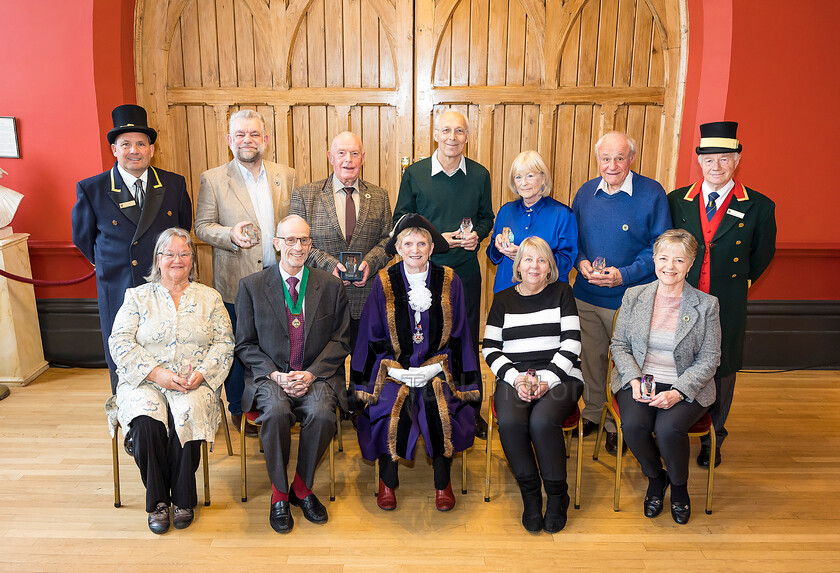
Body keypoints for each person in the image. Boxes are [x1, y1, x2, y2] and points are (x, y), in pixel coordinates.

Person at [106, 228, 234, 534]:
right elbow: (120, 342)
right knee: (148, 424)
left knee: (186, 416)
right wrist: (157, 374)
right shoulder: (137, 297)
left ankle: (185, 500)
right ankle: (159, 502)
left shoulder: (210, 298)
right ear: (157, 260)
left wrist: (201, 373)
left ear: (192, 260)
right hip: (146, 380)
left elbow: (225, 343)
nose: (177, 260)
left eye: (184, 254)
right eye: (169, 254)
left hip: (193, 380)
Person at [351, 213, 481, 512]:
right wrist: (393, 368)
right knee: (388, 404)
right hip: (395, 369)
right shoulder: (384, 282)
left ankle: (442, 482)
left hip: (439, 369)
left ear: (432, 247)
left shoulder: (450, 281)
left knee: (441, 405)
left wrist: (439, 366)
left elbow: (461, 332)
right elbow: (372, 334)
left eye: (421, 243)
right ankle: (388, 481)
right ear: (397, 248)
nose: (415, 250)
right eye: (407, 243)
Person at [668, 121, 776, 468]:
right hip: (682, 298)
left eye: (724, 159)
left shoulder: (759, 206)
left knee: (721, 367)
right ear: (699, 162)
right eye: (710, 160)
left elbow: (762, 254)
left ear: (737, 160)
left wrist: (737, 285)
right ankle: (674, 428)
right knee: (677, 361)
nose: (716, 167)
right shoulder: (676, 201)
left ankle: (714, 435)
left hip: (725, 302)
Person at [235, 215, 350, 534]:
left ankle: (301, 486)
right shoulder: (252, 286)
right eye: (290, 240)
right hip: (270, 377)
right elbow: (244, 344)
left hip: (317, 375)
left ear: (311, 244)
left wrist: (312, 374)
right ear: (276, 243)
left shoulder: (330, 285)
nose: (297, 247)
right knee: (275, 413)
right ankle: (278, 494)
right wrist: (273, 374)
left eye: (304, 240)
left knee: (323, 415)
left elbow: (342, 340)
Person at [73, 104, 193, 393]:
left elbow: (183, 229)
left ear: (151, 149)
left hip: (167, 288)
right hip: (119, 286)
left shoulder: (174, 184)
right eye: (125, 144)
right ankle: (129, 419)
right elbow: (83, 238)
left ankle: (172, 413)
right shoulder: (92, 189)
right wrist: (113, 264)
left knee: (171, 349)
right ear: (114, 149)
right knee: (122, 354)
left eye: (141, 143)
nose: (134, 150)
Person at [609, 229, 721, 525]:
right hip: (640, 380)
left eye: (679, 260)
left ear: (690, 264)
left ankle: (680, 489)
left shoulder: (707, 305)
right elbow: (619, 345)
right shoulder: (634, 296)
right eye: (663, 258)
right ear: (655, 259)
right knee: (634, 423)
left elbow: (710, 359)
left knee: (670, 428)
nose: (669, 266)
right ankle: (656, 478)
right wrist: (632, 379)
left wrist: (678, 392)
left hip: (685, 384)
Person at [393, 110, 494, 438]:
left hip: (465, 273)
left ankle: (470, 408)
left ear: (467, 136)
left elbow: (486, 217)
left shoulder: (479, 175)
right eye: (446, 130)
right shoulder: (415, 173)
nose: (453, 137)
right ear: (435, 133)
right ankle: (419, 406)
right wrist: (437, 237)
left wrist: (477, 234)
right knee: (425, 339)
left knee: (465, 341)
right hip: (424, 274)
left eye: (459, 131)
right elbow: (401, 221)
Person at [195, 109, 296, 434]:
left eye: (254, 134)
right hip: (236, 281)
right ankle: (240, 408)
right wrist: (229, 235)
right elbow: (201, 226)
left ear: (265, 140)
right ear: (229, 140)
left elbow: (295, 220)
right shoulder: (213, 178)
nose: (247, 140)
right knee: (239, 346)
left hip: (279, 279)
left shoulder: (287, 175)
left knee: (280, 344)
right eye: (240, 134)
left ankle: (279, 404)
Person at [571, 131, 670, 455]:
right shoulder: (585, 193)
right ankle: (593, 413)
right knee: (591, 361)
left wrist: (623, 275)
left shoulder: (652, 193)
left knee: (627, 364)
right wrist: (581, 261)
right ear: (597, 159)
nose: (612, 165)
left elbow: (660, 249)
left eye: (620, 158)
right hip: (586, 297)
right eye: (605, 158)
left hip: (631, 300)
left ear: (632, 159)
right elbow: (576, 242)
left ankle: (619, 425)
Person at [482, 236, 584, 533]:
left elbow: (572, 343)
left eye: (541, 260)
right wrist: (516, 378)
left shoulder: (563, 293)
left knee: (541, 422)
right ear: (518, 265)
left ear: (550, 266)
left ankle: (556, 496)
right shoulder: (502, 299)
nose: (534, 266)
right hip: (516, 376)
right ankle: (530, 495)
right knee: (511, 423)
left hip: (562, 376)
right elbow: (490, 347)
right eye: (528, 259)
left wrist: (548, 379)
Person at [289, 131, 393, 350]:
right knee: (324, 369)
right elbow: (296, 243)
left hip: (365, 299)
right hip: (320, 296)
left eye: (354, 153)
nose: (348, 159)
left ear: (362, 158)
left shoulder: (379, 196)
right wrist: (328, 265)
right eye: (342, 153)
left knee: (364, 370)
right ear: (330, 157)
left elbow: (387, 242)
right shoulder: (305, 195)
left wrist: (369, 265)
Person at [487, 150, 577, 292]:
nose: (523, 183)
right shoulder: (506, 211)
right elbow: (493, 257)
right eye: (518, 177)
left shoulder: (562, 214)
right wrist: (497, 246)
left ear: (543, 179)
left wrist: (527, 257)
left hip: (545, 293)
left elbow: (567, 261)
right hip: (506, 290)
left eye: (530, 176)